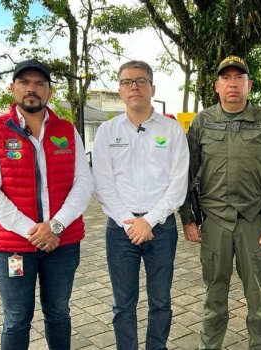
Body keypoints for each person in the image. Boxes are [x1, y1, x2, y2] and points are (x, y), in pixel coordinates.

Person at [0, 59, 93, 350]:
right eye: (25, 82)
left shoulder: (67, 130)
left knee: (58, 313)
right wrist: (33, 230)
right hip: (14, 246)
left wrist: (54, 226)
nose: (32, 89)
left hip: (61, 243)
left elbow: (83, 183)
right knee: (16, 318)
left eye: (40, 83)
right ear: (12, 88)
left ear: (49, 91)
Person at [179, 55, 261, 349]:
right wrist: (188, 219)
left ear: (249, 84)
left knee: (258, 297)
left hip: (255, 221)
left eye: (239, 78)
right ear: (216, 86)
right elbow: (186, 173)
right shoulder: (203, 121)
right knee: (215, 296)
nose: (232, 84)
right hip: (214, 221)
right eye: (226, 78)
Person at [92, 60, 189, 350]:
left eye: (141, 81)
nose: (134, 87)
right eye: (126, 82)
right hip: (120, 230)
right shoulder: (107, 132)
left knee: (161, 301)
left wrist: (149, 220)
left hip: (161, 227)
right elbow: (103, 184)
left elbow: (178, 183)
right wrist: (129, 221)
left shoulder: (172, 131)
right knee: (123, 303)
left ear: (152, 87)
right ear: (120, 91)